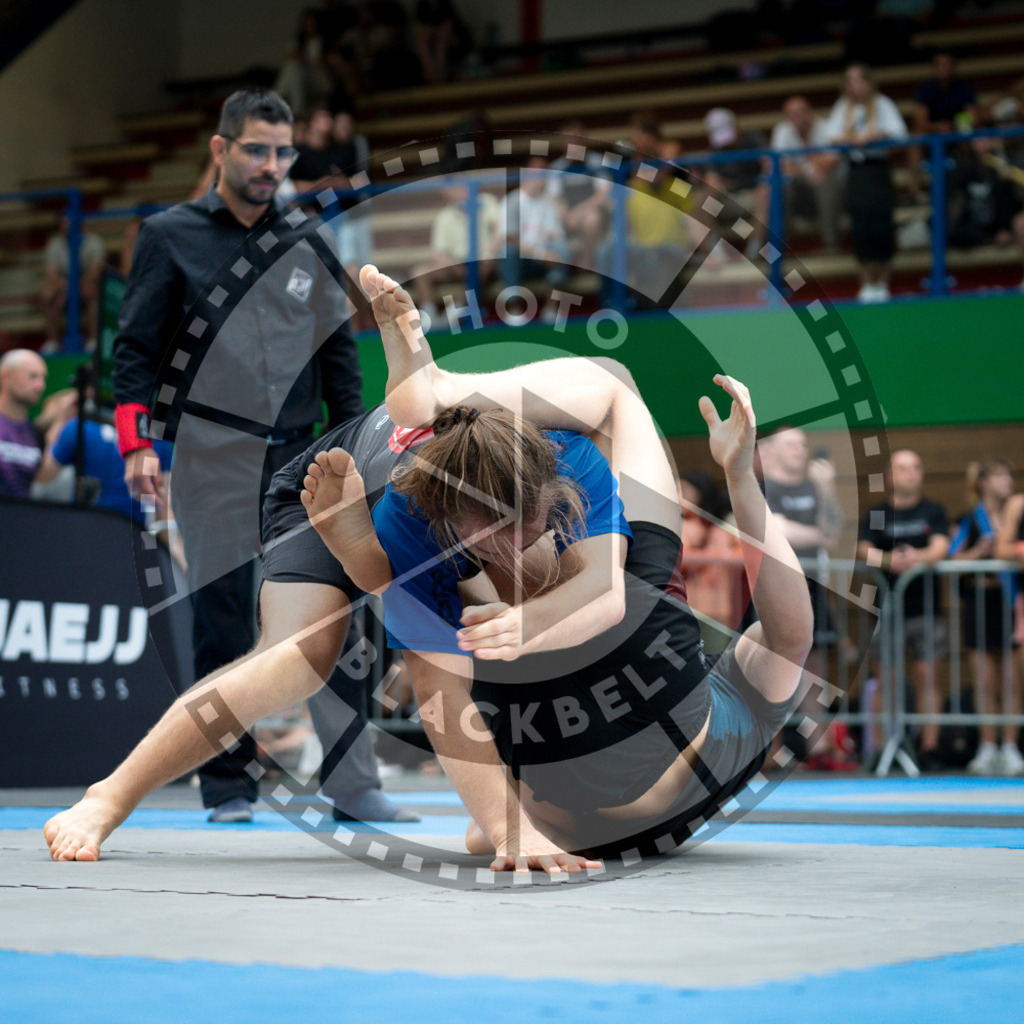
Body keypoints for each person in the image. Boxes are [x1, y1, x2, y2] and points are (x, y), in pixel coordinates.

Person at [45, 264, 813, 871]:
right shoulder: (566, 509)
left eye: (518, 534)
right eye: (504, 534)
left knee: (449, 610)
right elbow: (779, 634)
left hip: (427, 497)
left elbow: (460, 679)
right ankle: (109, 797)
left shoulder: (556, 502)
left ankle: (387, 534)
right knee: (296, 657)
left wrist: (504, 826)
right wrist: (743, 484)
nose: (512, 549)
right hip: (380, 473)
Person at [111, 88, 412, 826]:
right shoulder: (168, 236)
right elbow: (135, 351)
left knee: (336, 615)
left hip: (303, 460)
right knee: (221, 623)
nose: (271, 165)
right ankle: (228, 787)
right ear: (220, 149)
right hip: (210, 457)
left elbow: (338, 353)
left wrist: (357, 443)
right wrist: (135, 443)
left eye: (282, 152)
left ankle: (354, 786)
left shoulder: (306, 235)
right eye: (256, 150)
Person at [760, 426, 851, 768]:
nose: (800, 449)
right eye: (791, 444)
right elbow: (775, 530)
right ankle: (768, 750)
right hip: (773, 587)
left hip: (812, 587)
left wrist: (827, 488)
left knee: (814, 668)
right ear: (771, 450)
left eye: (802, 443)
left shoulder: (815, 488)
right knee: (771, 665)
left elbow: (834, 532)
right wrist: (820, 535)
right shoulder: (761, 487)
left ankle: (819, 747)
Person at [857, 449, 950, 771]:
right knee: (885, 679)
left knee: (928, 677)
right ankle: (879, 750)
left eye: (915, 467)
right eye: (903, 468)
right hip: (886, 609)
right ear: (890, 476)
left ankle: (930, 748)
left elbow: (940, 548)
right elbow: (864, 549)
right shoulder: (878, 513)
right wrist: (889, 561)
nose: (910, 473)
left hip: (926, 609)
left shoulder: (933, 510)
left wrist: (915, 559)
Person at [950, 460, 1023, 776]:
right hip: (979, 603)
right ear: (983, 483)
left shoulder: (1015, 516)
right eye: (998, 476)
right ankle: (988, 745)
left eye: (1008, 475)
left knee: (1011, 679)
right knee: (984, 679)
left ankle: (1010, 746)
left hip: (1008, 602)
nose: (1006, 481)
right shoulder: (970, 520)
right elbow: (952, 557)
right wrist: (977, 553)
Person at [824, 64, 907, 303]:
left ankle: (883, 280)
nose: (855, 85)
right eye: (850, 80)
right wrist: (851, 138)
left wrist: (876, 135)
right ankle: (866, 282)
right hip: (856, 172)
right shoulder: (842, 107)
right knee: (861, 225)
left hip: (878, 170)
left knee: (882, 224)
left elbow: (900, 133)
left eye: (859, 80)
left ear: (869, 82)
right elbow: (830, 137)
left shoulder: (883, 104)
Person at [409, 183, 500, 329]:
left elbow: (499, 231)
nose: (457, 191)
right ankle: (430, 316)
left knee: (481, 268)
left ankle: (456, 311)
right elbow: (439, 253)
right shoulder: (444, 216)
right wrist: (454, 265)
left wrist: (488, 254)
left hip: (485, 261)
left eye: (460, 186)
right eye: (452, 188)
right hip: (456, 264)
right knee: (420, 272)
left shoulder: (488, 202)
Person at [496, 156, 570, 322]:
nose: (542, 177)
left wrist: (546, 253)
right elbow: (511, 237)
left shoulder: (550, 201)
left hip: (543, 260)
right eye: (538, 172)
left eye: (544, 173)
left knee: (562, 248)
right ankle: (514, 308)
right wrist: (539, 253)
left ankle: (551, 309)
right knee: (509, 251)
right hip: (523, 260)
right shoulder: (513, 200)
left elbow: (556, 234)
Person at [770, 96, 843, 252]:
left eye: (800, 112)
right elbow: (779, 164)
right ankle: (782, 247)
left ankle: (831, 244)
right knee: (782, 185)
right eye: (791, 114)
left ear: (810, 112)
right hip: (800, 183)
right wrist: (807, 169)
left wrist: (808, 161)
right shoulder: (783, 130)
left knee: (825, 182)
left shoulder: (827, 127)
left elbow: (832, 160)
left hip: (828, 181)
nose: (797, 118)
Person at [702, 108, 769, 259]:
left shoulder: (753, 139)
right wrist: (717, 186)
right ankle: (717, 253)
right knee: (702, 199)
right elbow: (711, 180)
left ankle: (754, 252)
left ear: (736, 126)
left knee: (766, 194)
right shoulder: (715, 150)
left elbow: (768, 165)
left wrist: (762, 183)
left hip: (752, 195)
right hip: (728, 198)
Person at [910, 51, 978, 197]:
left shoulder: (964, 88)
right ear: (933, 68)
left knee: (968, 135)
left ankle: (967, 185)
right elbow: (920, 121)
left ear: (954, 67)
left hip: (957, 133)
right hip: (933, 134)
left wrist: (956, 127)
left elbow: (972, 117)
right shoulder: (926, 89)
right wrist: (938, 127)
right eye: (939, 65)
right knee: (915, 137)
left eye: (947, 65)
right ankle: (915, 190)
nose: (944, 69)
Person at [41, 216, 106, 350]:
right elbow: (52, 275)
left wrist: (78, 287)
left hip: (85, 287)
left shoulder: (94, 242)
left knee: (92, 292)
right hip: (64, 288)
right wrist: (66, 289)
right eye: (63, 223)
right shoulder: (54, 244)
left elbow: (95, 272)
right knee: (48, 295)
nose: (66, 227)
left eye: (69, 223)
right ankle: (52, 342)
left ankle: (93, 340)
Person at [0, 348, 47, 498]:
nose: (40, 385)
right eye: (32, 376)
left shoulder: (37, 435)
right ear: (6, 377)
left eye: (43, 378)